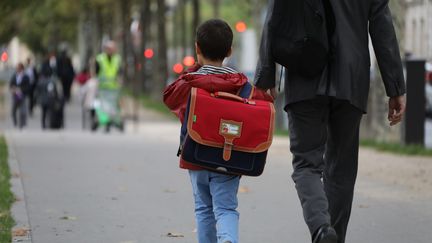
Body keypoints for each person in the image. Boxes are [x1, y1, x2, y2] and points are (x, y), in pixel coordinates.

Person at [255, 1, 406, 243]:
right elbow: (382, 29)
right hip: (351, 79)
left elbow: (275, 15)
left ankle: (322, 230)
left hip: (304, 75)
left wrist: (266, 74)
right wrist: (395, 87)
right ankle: (332, 236)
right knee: (342, 170)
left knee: (306, 164)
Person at [163, 19, 272, 243]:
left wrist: (194, 70)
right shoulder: (242, 85)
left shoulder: (190, 82)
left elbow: (169, 97)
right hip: (230, 157)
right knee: (225, 209)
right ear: (230, 51)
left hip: (196, 155)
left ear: (197, 48)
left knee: (203, 209)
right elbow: (266, 102)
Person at [9, 63, 30, 129]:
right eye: (17, 68)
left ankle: (22, 124)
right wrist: (13, 89)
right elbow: (11, 84)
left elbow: (28, 87)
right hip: (15, 95)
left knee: (22, 111)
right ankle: (15, 122)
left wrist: (21, 89)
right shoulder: (14, 76)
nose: (18, 69)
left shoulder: (25, 77)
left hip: (22, 95)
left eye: (19, 68)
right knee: (13, 110)